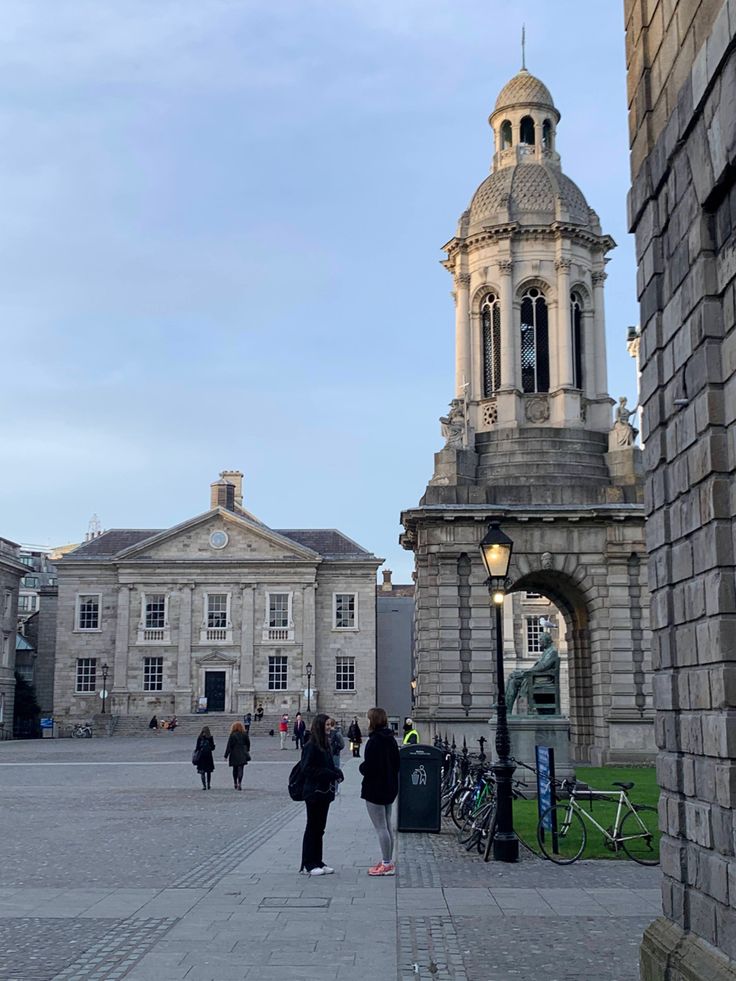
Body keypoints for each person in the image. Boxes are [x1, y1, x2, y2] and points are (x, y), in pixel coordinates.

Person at [299, 714, 343, 876]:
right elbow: (307, 768)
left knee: (320, 828)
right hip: (313, 791)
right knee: (312, 827)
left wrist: (337, 772)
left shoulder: (326, 745)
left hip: (324, 792)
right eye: (327, 725)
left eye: (330, 725)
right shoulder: (311, 745)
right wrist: (327, 773)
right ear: (319, 726)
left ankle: (318, 861)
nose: (330, 728)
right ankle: (308, 863)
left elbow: (328, 766)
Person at [360, 707, 400, 876]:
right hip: (389, 787)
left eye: (368, 718)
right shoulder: (390, 739)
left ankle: (386, 863)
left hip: (375, 788)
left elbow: (369, 766)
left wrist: (362, 767)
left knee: (381, 827)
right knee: (387, 825)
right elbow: (397, 763)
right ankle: (388, 860)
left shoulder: (374, 741)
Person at [505, 629, 560, 714]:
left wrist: (527, 671)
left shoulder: (552, 651)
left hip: (543, 678)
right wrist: (526, 671)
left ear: (547, 640)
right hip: (538, 675)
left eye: (541, 639)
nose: (539, 642)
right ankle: (505, 705)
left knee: (514, 680)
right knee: (512, 677)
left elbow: (543, 666)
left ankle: (506, 709)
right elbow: (540, 666)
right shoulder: (547, 651)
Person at [224, 720, 251, 791]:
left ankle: (235, 782)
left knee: (235, 769)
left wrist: (226, 755)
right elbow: (248, 743)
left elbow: (229, 745)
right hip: (242, 752)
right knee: (241, 769)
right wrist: (247, 750)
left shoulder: (232, 735)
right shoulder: (244, 734)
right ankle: (240, 783)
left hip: (234, 753)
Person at [194, 726, 215, 790]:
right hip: (208, 756)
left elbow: (197, 747)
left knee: (202, 771)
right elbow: (212, 747)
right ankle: (208, 784)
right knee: (208, 771)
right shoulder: (210, 738)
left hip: (201, 756)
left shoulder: (200, 738)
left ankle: (204, 785)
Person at [329, 719, 345, 794]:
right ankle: (335, 789)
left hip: (327, 754)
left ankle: (328, 787)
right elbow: (342, 745)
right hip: (335, 754)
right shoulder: (337, 733)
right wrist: (338, 748)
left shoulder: (325, 733)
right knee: (336, 770)